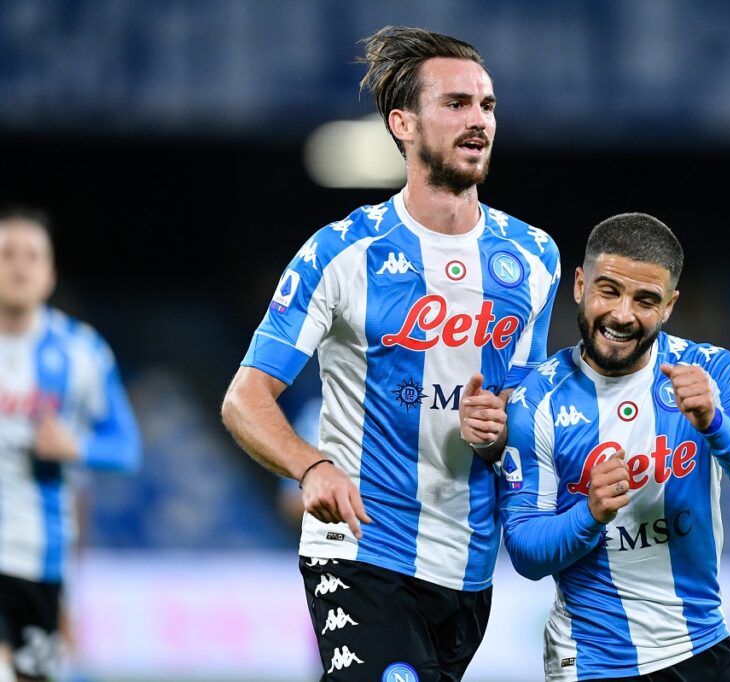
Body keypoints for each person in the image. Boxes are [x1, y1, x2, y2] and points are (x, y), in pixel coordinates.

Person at [220, 26, 560, 682]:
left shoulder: (533, 256)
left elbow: (527, 412)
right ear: (403, 125)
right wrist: (312, 466)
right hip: (360, 551)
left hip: (466, 569)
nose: (479, 120)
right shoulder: (341, 252)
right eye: (456, 104)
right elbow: (245, 398)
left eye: (487, 105)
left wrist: (502, 432)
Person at [498, 213, 730, 682]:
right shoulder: (537, 399)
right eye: (609, 291)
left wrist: (714, 422)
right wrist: (590, 513)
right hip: (592, 661)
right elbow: (526, 551)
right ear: (580, 285)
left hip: (700, 645)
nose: (622, 315)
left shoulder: (709, 371)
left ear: (669, 305)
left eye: (645, 300)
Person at [0, 208, 141, 682]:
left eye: (32, 256)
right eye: (7, 254)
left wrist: (74, 445)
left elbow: (126, 446)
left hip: (38, 561)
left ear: (50, 274)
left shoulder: (82, 352)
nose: (19, 266)